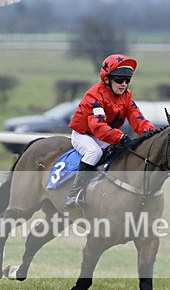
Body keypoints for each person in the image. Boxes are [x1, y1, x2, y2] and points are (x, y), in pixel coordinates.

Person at [64, 54, 156, 210]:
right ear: (107, 79)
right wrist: (121, 136)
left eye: (127, 81)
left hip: (105, 135)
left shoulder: (126, 96)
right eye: (119, 80)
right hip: (84, 135)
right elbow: (98, 127)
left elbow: (136, 117)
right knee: (94, 153)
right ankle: (74, 193)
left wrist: (151, 131)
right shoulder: (94, 96)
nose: (124, 84)